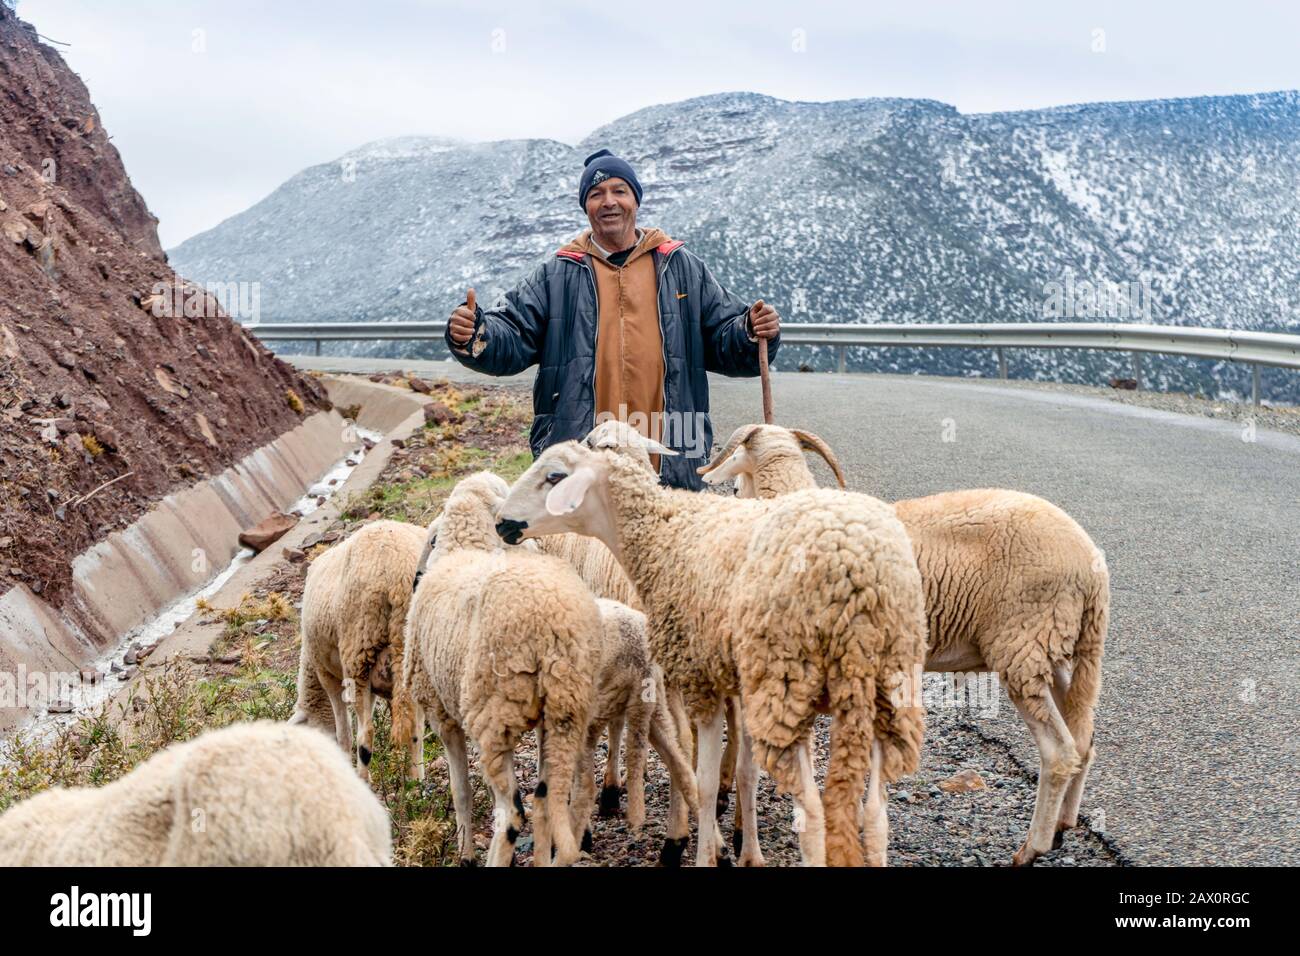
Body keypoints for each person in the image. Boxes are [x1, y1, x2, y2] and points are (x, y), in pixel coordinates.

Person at [446, 148, 780, 490]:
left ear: (635, 200)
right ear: (586, 207)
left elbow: (725, 338)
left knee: (670, 537)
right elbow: (513, 334)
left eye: (619, 191)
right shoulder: (557, 274)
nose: (609, 202)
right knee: (578, 540)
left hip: (671, 447)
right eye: (596, 194)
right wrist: (474, 333)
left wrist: (750, 331)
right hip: (580, 449)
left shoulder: (680, 267)